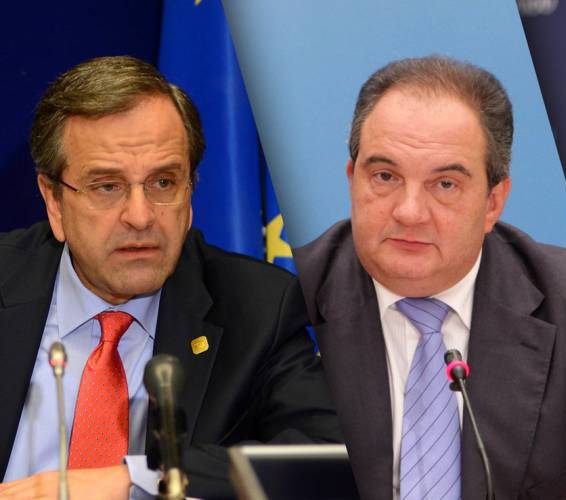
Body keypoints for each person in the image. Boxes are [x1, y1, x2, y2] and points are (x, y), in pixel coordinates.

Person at [294, 55, 566, 500]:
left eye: (445, 184)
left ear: (493, 202)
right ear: (352, 179)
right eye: (385, 176)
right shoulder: (291, 298)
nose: (409, 212)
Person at [0, 56, 341, 499]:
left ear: (190, 190)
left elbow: (328, 456)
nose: (140, 216)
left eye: (163, 183)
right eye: (107, 186)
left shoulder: (256, 309)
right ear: (53, 201)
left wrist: (138, 480)